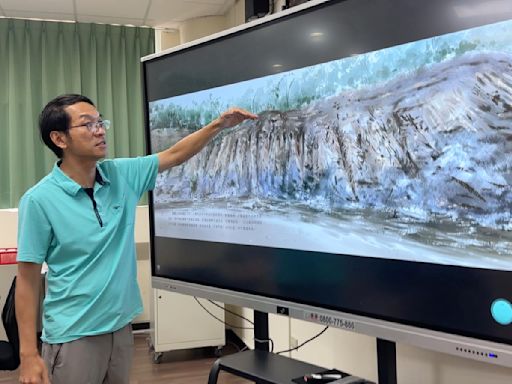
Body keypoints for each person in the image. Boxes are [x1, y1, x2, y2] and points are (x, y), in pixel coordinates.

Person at [15, 94, 257, 384]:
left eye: (100, 121)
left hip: (120, 329)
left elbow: (175, 155)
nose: (100, 130)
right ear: (59, 139)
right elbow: (27, 282)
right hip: (73, 336)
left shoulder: (120, 175)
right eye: (87, 124)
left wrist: (219, 124)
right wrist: (29, 355)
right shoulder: (39, 200)